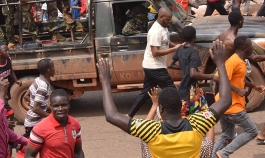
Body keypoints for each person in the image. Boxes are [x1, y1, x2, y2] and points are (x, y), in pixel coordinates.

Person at [97, 37, 232, 158]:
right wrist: (220, 64)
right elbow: (225, 100)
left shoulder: (150, 130)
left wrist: (105, 82)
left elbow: (111, 115)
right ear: (180, 106)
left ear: (160, 109)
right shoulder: (198, 123)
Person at [213, 36, 265, 158]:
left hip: (226, 105)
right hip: (232, 106)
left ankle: (211, 156)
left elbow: (239, 79)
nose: (252, 48)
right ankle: (223, 153)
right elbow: (217, 77)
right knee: (252, 131)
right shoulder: (233, 61)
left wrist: (255, 86)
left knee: (227, 136)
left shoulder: (240, 61)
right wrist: (237, 90)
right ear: (244, 48)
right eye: (251, 46)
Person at [127, 8, 182, 117]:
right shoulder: (155, 31)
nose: (169, 22)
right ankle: (178, 115)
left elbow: (165, 41)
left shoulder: (164, 27)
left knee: (146, 93)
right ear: (160, 17)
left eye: (170, 20)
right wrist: (174, 49)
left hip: (152, 66)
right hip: (155, 67)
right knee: (172, 91)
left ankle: (129, 116)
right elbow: (155, 52)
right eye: (167, 19)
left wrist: (176, 46)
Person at [167, 26, 215, 117]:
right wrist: (211, 76)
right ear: (194, 37)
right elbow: (193, 74)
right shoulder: (193, 52)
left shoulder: (180, 49)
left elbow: (170, 65)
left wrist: (183, 68)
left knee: (185, 117)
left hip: (182, 90)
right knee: (203, 116)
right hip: (192, 92)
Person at [24, 89, 84, 158]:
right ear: (51, 107)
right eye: (56, 106)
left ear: (69, 105)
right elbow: (29, 155)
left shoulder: (75, 123)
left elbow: (78, 151)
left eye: (64, 105)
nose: (60, 109)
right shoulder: (40, 128)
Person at [0, 43, 21, 120]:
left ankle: (6, 127)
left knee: (6, 111)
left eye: (8, 50)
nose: (8, 52)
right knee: (7, 112)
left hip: (5, 90)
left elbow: (11, 71)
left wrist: (16, 80)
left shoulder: (8, 60)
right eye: (6, 51)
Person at [24, 59, 55, 137]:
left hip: (31, 121)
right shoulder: (43, 86)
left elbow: (26, 96)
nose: (54, 69)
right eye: (53, 67)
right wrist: (51, 117)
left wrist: (45, 106)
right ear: (48, 70)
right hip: (34, 125)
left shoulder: (38, 80)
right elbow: (35, 108)